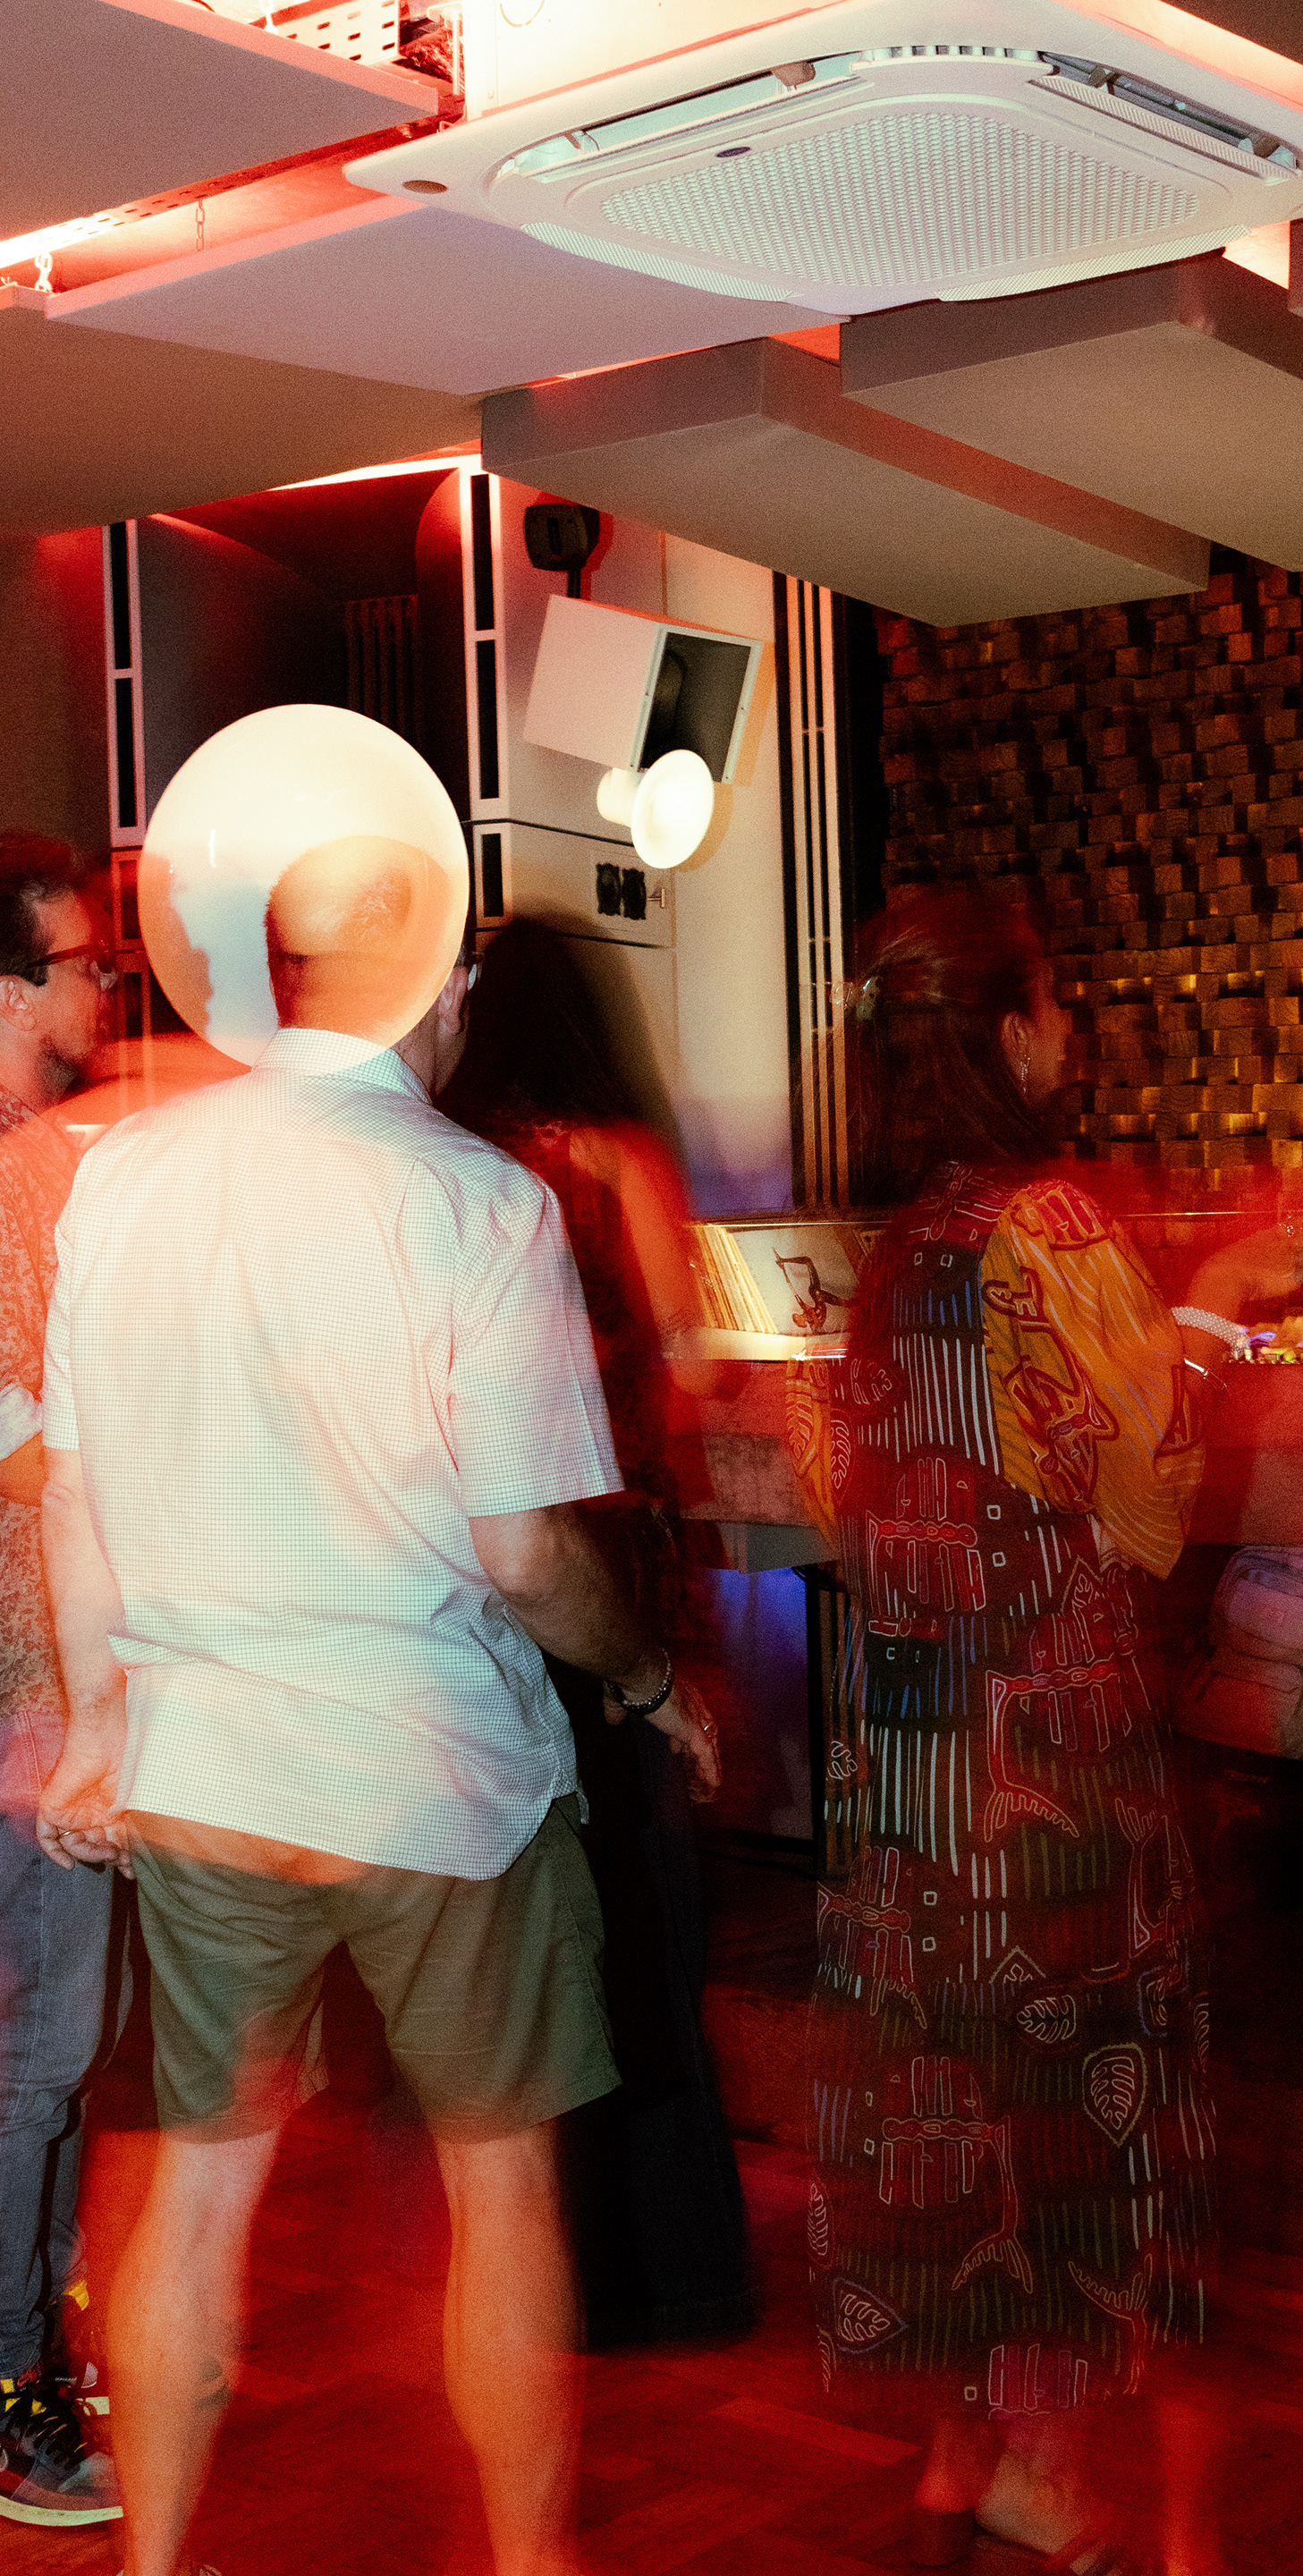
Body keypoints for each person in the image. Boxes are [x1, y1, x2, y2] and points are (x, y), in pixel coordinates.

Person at [32, 843, 718, 2576]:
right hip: (437, 1773)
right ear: (445, 990)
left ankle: (152, 2563)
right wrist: (645, 1676)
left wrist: (101, 1721)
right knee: (500, 2188)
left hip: (205, 1767)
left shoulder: (127, 1176)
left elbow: (75, 1488)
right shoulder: (479, 1202)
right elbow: (526, 1550)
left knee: (198, 2190)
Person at [788, 891, 1303, 2574]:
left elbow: (851, 1485)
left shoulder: (898, 1253)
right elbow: (1146, 1504)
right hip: (1047, 1749)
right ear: (1011, 1035)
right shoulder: (1051, 1224)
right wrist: (1215, 1304)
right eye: (1059, 1006)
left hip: (911, 1756)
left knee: (947, 2088)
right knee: (1071, 2105)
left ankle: (963, 2456)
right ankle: (1052, 2476)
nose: (1071, 1034)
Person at [442, 917, 752, 2346]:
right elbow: (695, 1364)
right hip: (610, 1570)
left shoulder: (455, 1164)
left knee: (525, 1925)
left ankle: (529, 2265)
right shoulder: (617, 1161)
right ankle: (664, 2271)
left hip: (482, 1589)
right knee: (645, 1913)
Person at [0, 833, 120, 2529]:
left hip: (47, 1675)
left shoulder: (44, 1160)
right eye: (84, 964)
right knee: (41, 2051)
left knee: (50, 2054)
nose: (106, 986)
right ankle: (22, 2386)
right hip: (26, 1689)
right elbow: (23, 1444)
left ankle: (36, 2353)